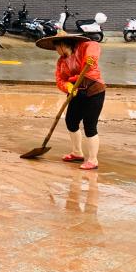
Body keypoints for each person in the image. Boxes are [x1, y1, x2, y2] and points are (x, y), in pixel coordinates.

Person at [36, 34, 104, 170]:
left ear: (62, 45)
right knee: (71, 121)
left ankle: (93, 160)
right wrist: (68, 86)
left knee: (90, 125)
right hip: (75, 92)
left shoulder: (83, 47)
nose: (57, 51)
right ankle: (77, 153)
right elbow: (60, 80)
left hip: (93, 91)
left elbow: (94, 45)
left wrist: (91, 58)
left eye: (57, 47)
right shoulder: (61, 62)